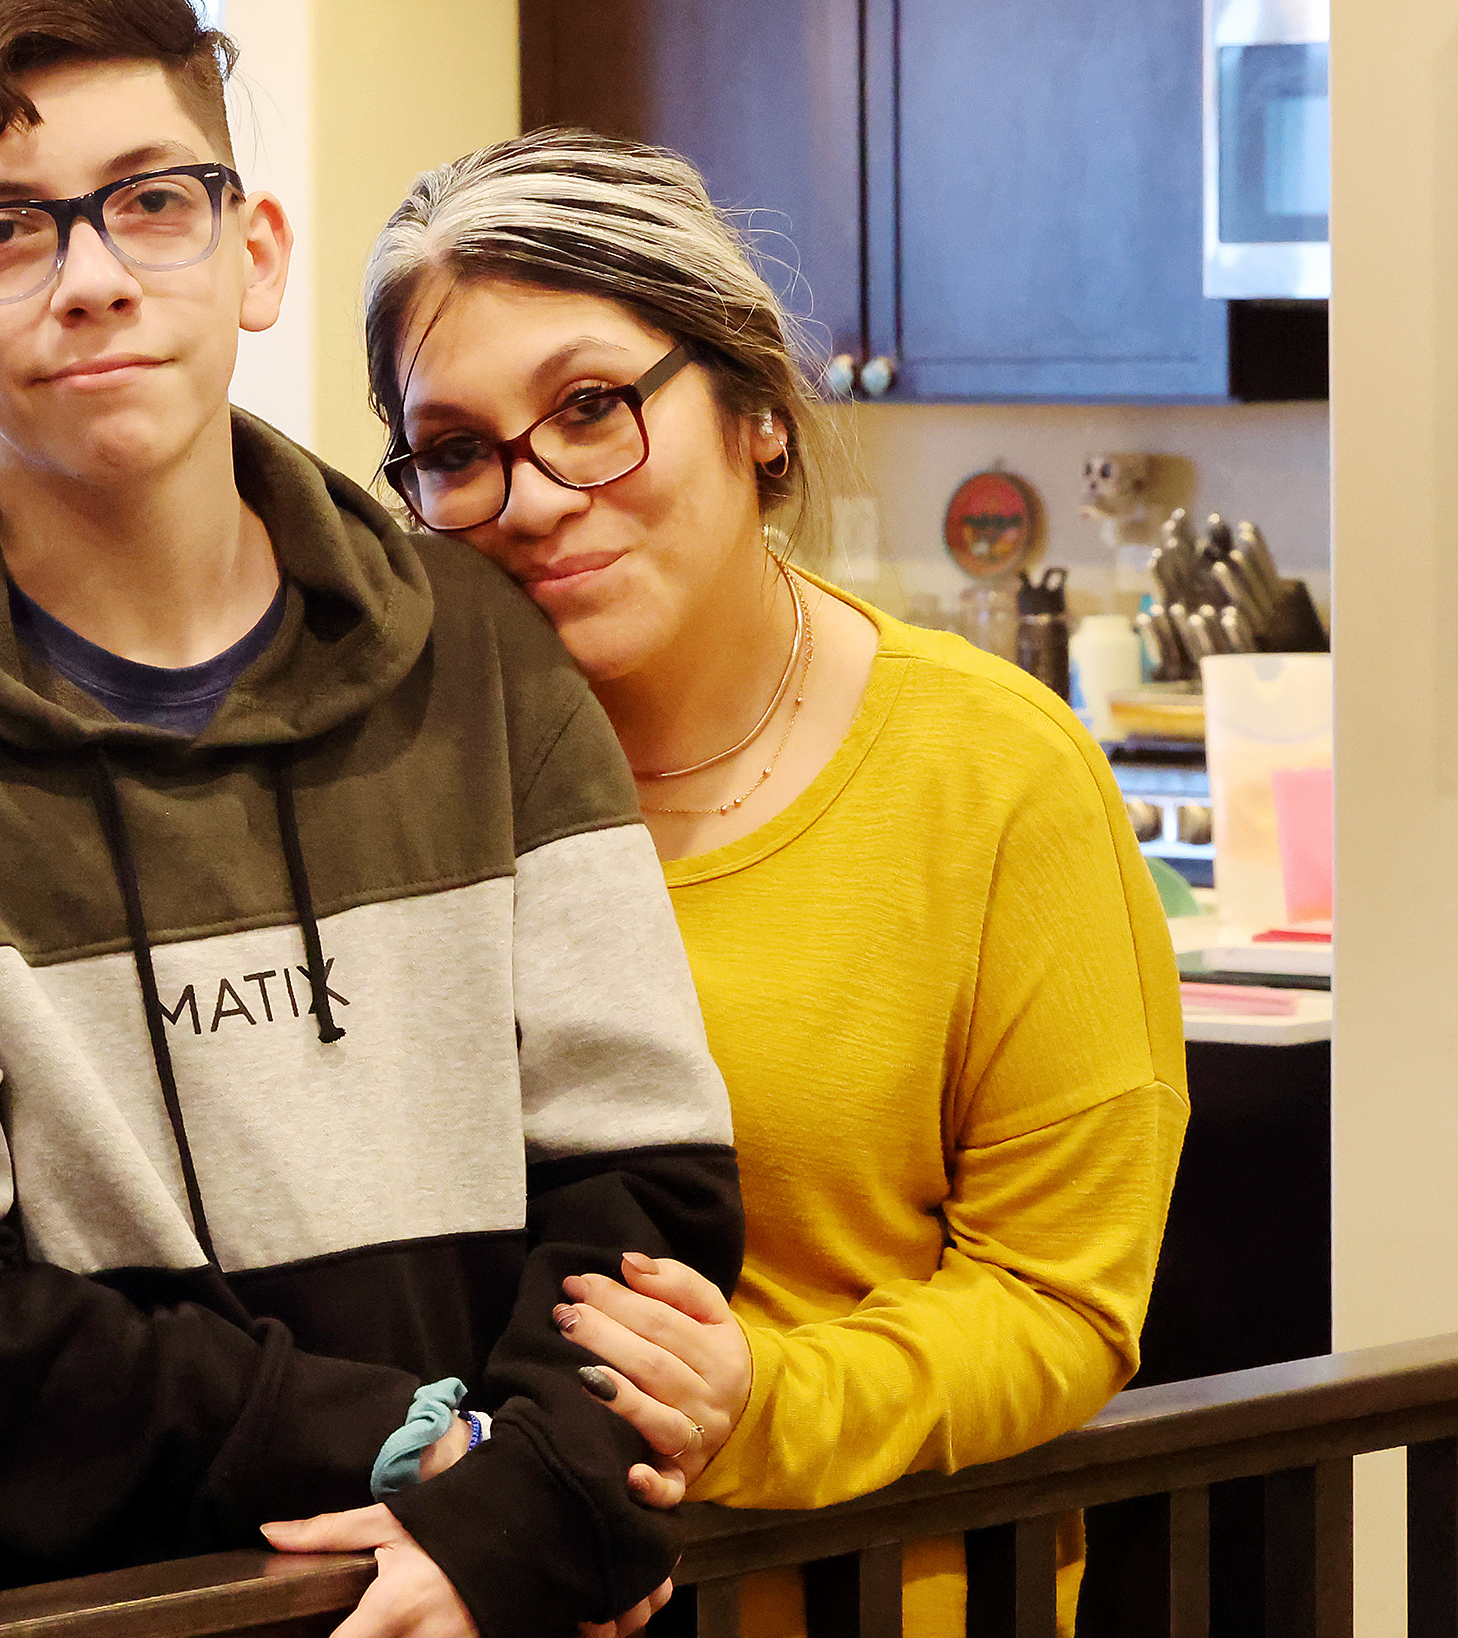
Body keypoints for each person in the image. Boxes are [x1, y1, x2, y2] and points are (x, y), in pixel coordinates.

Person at [0, 0, 744, 1638]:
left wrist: (539, 1502)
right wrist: (428, 1447)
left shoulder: (483, 651)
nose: (95, 276)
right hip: (115, 1609)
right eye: (3, 227)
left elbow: (642, 1176)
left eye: (151, 201)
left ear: (254, 255)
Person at [358, 129, 1188, 1636]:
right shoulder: (389, 795)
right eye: (460, 451)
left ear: (752, 407)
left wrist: (760, 1401)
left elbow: (1066, 1303)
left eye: (592, 408)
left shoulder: (993, 774)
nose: (533, 497)